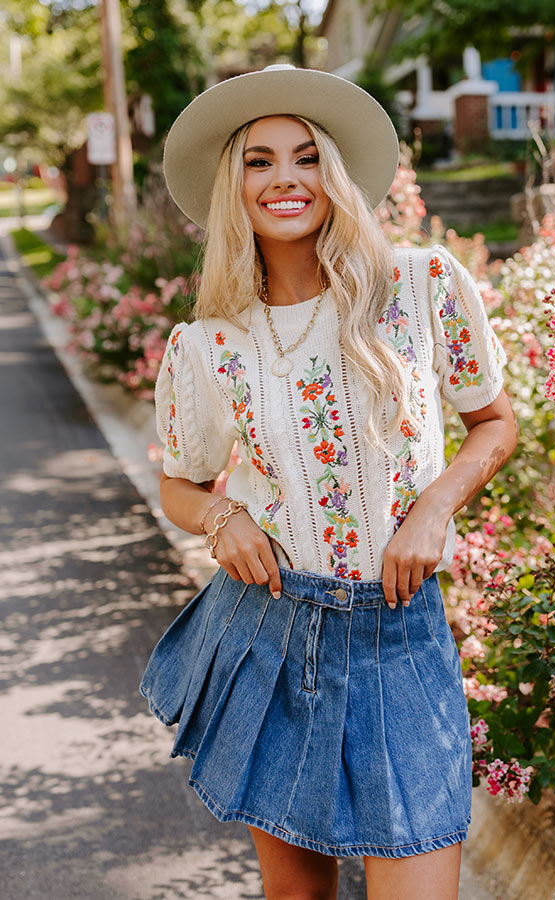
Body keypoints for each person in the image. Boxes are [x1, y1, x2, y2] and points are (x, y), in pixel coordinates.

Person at [140, 64, 518, 900]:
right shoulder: (209, 345)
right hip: (276, 638)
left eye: (307, 157)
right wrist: (222, 517)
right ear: (233, 187)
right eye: (260, 161)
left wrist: (432, 510)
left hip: (398, 641)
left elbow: (495, 423)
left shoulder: (420, 288)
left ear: (334, 175)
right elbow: (180, 486)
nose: (286, 179)